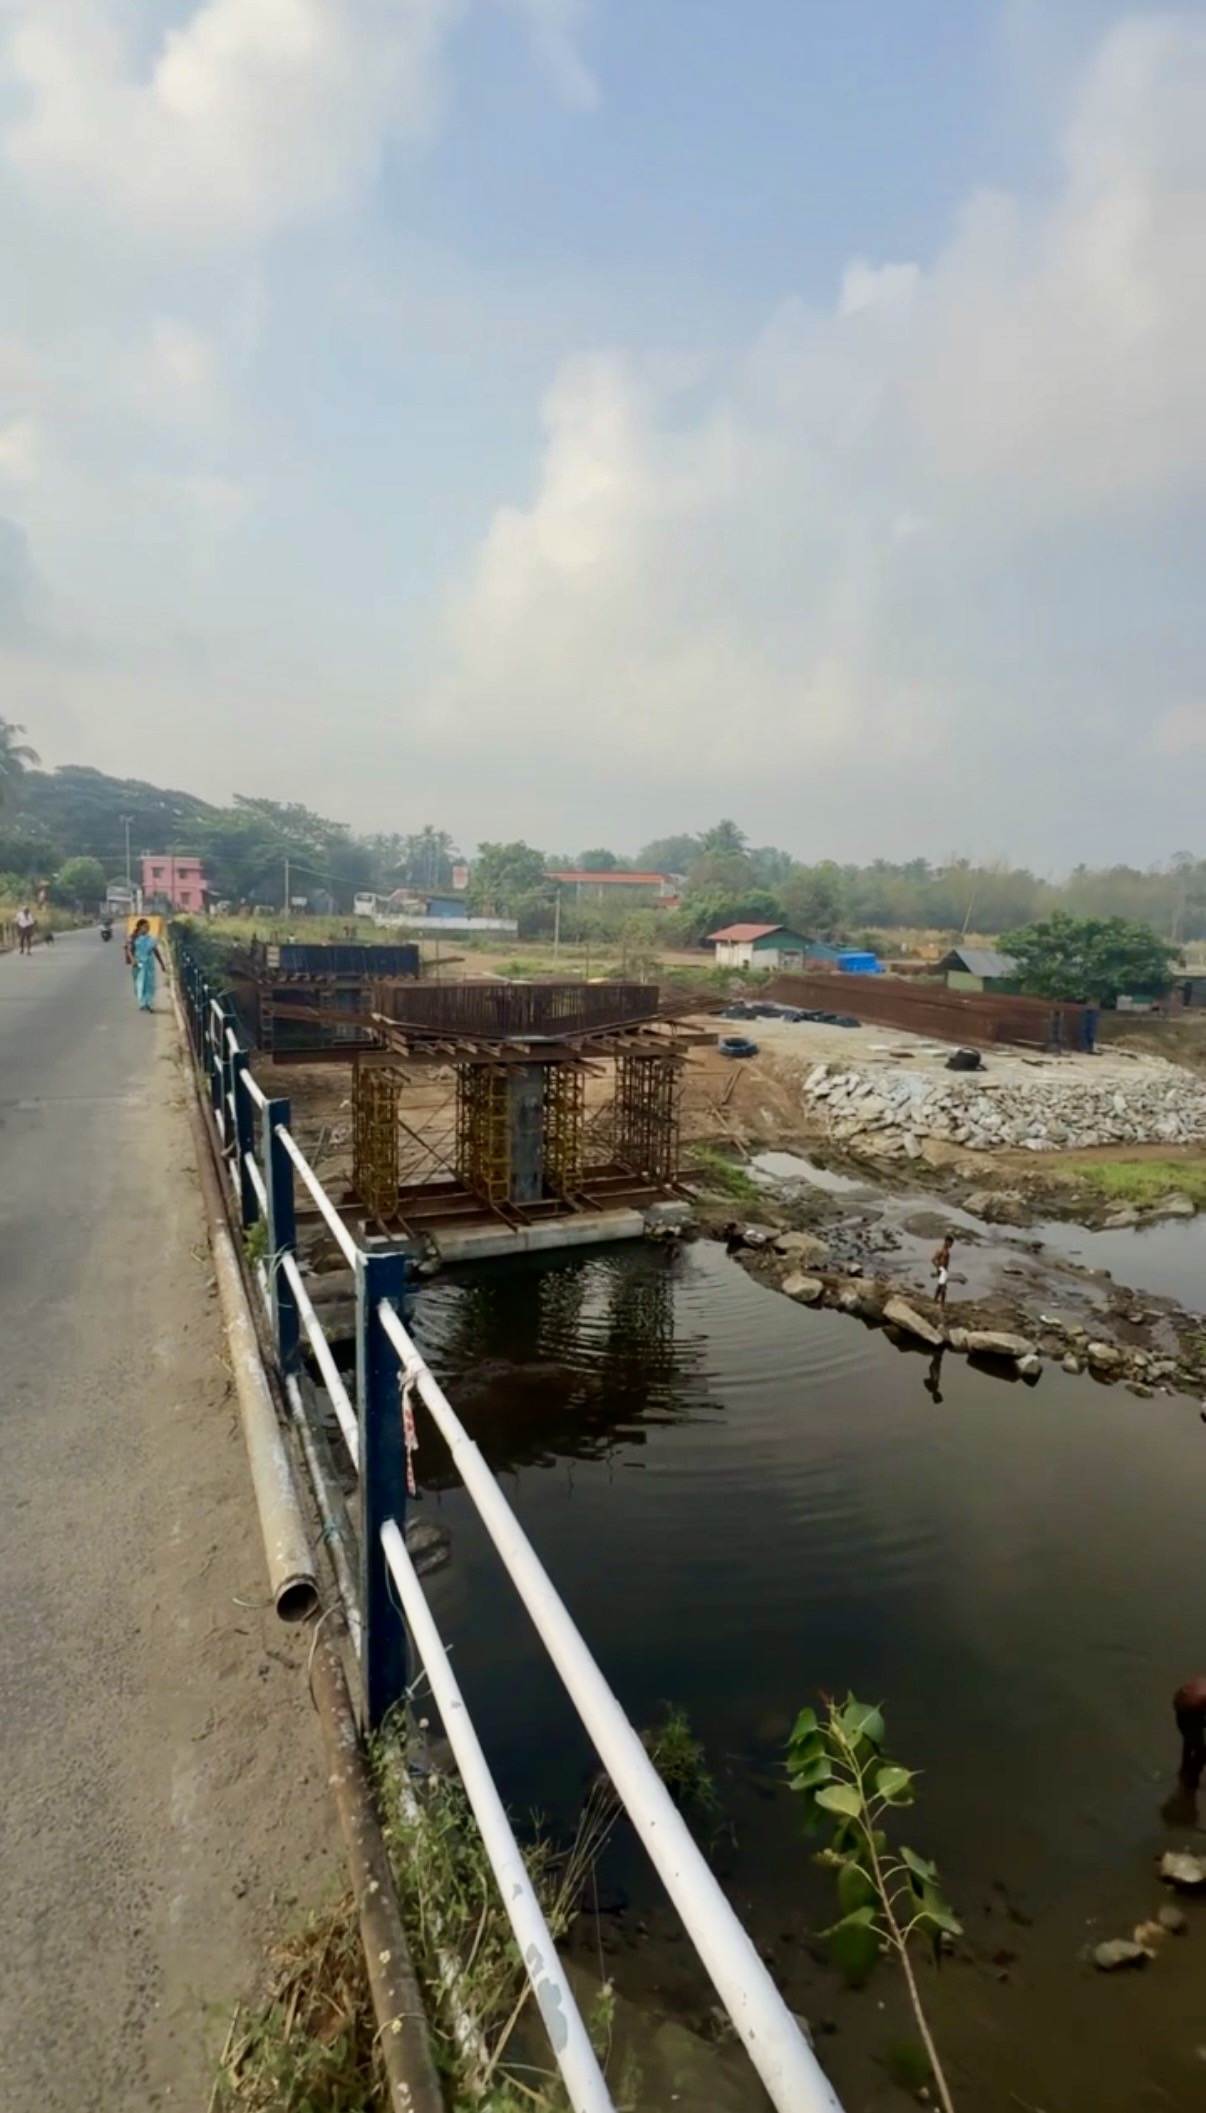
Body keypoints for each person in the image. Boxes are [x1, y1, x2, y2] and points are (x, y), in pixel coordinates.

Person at [125, 917, 166, 1012]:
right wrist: (133, 960)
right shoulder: (133, 938)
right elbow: (129, 950)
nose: (147, 929)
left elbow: (155, 951)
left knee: (149, 984)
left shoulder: (150, 939)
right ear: (139, 927)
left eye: (148, 927)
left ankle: (149, 1003)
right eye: (145, 927)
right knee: (139, 983)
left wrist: (162, 964)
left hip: (149, 964)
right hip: (138, 964)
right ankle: (142, 1002)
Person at [1174, 1676, 1206, 1789]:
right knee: (1202, 1752)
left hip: (1184, 1702)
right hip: (1187, 1710)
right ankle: (1190, 1781)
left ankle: (1184, 1771)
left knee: (1189, 1742)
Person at [932, 1233, 954, 1308]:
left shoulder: (946, 1251)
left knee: (940, 1286)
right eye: (950, 1243)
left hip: (943, 1270)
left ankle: (935, 1300)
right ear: (946, 1241)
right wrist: (938, 1267)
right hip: (942, 1270)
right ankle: (942, 1304)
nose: (951, 1245)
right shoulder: (942, 1250)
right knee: (943, 1288)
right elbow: (933, 1259)